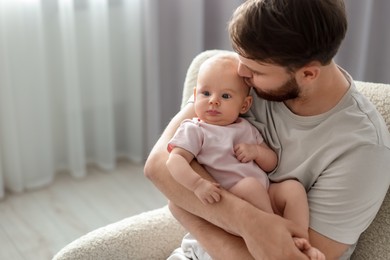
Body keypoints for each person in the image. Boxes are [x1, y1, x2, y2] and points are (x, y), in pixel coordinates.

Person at [144, 0, 390, 259]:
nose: (240, 72)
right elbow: (159, 166)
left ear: (308, 74)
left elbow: (293, 257)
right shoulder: (238, 81)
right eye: (241, 58)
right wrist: (249, 221)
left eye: (256, 70)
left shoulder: (363, 151)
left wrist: (188, 213)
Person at [166, 53, 324, 260]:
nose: (213, 101)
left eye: (225, 96)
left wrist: (257, 152)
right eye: (206, 93)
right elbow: (174, 160)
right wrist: (197, 184)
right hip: (232, 200)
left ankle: (299, 237)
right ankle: (275, 231)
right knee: (250, 185)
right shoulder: (196, 129)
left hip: (264, 192)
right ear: (195, 96)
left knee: (293, 188)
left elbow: (271, 164)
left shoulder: (245, 127)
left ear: (244, 105)